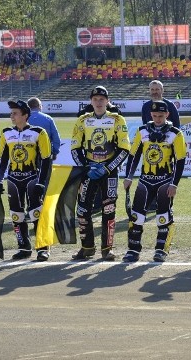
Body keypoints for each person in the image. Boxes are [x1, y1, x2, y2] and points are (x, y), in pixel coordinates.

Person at [70, 86, 130, 261]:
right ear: (90, 101)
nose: (98, 102)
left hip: (109, 172)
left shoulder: (117, 120)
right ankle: (87, 247)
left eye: (101, 99)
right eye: (95, 99)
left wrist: (107, 168)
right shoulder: (82, 120)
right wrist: (86, 168)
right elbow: (75, 148)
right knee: (82, 209)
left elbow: (124, 149)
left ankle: (107, 249)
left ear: (107, 101)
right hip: (89, 171)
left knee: (109, 210)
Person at [123, 101, 187, 263]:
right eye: (154, 116)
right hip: (145, 181)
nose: (158, 119)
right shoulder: (142, 131)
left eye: (161, 115)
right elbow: (133, 155)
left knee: (163, 216)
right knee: (136, 216)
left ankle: (161, 249)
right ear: (150, 115)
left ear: (167, 115)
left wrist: (174, 184)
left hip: (165, 181)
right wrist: (129, 176)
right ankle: (133, 249)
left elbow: (180, 160)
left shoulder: (176, 133)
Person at [0, 100, 52, 261]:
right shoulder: (6, 132)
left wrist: (41, 182)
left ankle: (43, 248)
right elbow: (1, 158)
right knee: (16, 215)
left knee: (36, 213)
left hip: (32, 179)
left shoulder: (39, 132)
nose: (11, 116)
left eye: (15, 113)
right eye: (11, 113)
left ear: (25, 115)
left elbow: (46, 159)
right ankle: (24, 247)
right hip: (13, 180)